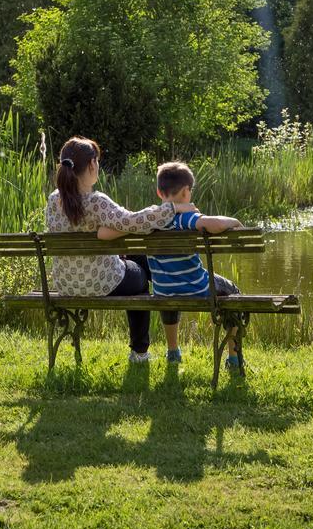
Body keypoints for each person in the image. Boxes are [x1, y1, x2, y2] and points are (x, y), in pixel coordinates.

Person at [45, 137, 197, 363]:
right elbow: (133, 221)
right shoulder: (96, 202)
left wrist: (112, 230)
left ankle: (158, 346)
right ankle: (141, 352)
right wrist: (173, 208)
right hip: (100, 282)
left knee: (136, 260)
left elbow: (121, 224)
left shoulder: (53, 200)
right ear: (92, 165)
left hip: (66, 283)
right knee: (141, 278)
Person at [98, 161, 243, 367]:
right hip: (197, 287)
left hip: (164, 291)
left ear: (159, 192)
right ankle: (234, 358)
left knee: (169, 292)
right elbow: (216, 224)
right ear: (186, 192)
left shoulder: (150, 221)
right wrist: (234, 221)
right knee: (234, 292)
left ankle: (173, 352)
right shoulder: (184, 218)